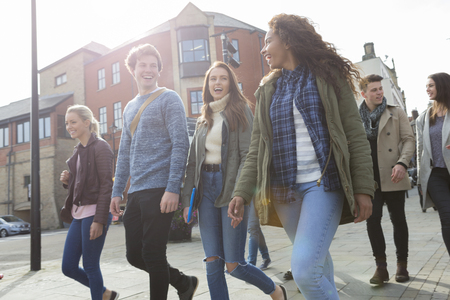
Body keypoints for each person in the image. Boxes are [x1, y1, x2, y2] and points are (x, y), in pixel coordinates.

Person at [228, 14, 375, 300]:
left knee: (305, 271)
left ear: (288, 40)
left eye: (268, 41)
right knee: (319, 266)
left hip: (324, 184)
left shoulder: (328, 76)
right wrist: (242, 192)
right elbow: (257, 146)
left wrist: (363, 188)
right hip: (284, 192)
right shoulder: (268, 88)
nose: (263, 49)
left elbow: (354, 134)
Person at [181, 61, 286, 300]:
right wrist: (188, 198)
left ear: (231, 83)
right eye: (213, 79)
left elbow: (248, 154)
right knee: (212, 262)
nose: (217, 82)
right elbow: (192, 162)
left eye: (223, 78)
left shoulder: (240, 110)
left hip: (231, 186)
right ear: (207, 85)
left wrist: (240, 192)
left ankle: (276, 290)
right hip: (205, 188)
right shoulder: (203, 117)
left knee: (235, 265)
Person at [110, 44, 197, 300]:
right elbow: (124, 152)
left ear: (159, 70)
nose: (148, 70)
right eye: (142, 65)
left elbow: (181, 144)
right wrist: (117, 192)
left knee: (153, 254)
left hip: (160, 188)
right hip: (136, 191)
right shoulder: (128, 108)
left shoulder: (169, 99)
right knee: (134, 255)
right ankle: (183, 283)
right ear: (133, 69)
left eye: (153, 65)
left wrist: (173, 188)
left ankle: (181, 286)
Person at [358, 74, 415, 284]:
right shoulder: (355, 117)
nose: (379, 92)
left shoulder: (395, 112)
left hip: (393, 174)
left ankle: (402, 264)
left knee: (398, 220)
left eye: (380, 88)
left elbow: (409, 140)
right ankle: (381, 267)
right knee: (372, 222)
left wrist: (402, 163)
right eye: (374, 90)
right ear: (363, 94)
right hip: (368, 178)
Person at [60, 105, 118, 300]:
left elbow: (105, 186)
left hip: (94, 214)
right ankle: (105, 294)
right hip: (78, 214)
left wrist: (99, 220)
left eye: (73, 122)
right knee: (68, 266)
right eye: (67, 123)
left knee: (91, 266)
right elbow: (84, 184)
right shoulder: (78, 150)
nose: (69, 126)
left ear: (87, 122)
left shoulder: (101, 147)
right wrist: (69, 181)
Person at [417, 72, 450, 253]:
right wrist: (421, 181)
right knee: (447, 216)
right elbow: (420, 149)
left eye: (431, 85)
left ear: (442, 86)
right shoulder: (424, 117)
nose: (427, 89)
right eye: (427, 86)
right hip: (435, 174)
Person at [247, 200, 272, 270]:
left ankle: (251, 264)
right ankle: (266, 257)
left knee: (253, 228)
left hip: (253, 194)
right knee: (255, 229)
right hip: (239, 194)